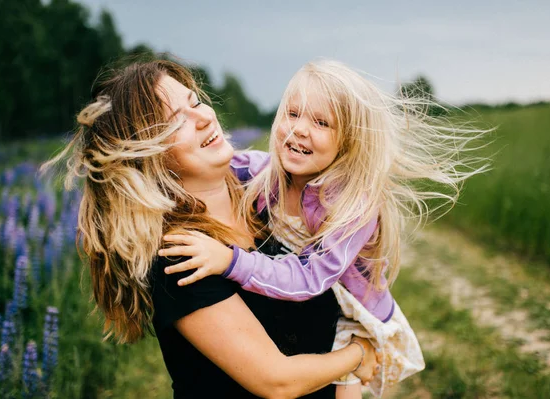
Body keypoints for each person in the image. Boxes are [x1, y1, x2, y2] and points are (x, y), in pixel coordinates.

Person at [41, 58, 380, 398]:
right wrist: (358, 355)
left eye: (196, 102)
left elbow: (339, 298)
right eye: (177, 122)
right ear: (149, 157)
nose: (204, 117)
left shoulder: (267, 203)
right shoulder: (180, 254)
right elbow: (277, 380)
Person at [160, 60, 489, 398]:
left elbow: (308, 279)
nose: (300, 129)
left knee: (345, 382)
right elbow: (230, 165)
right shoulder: (270, 176)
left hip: (350, 307)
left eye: (320, 122)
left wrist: (231, 261)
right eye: (292, 113)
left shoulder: (351, 208)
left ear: (347, 142)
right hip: (315, 299)